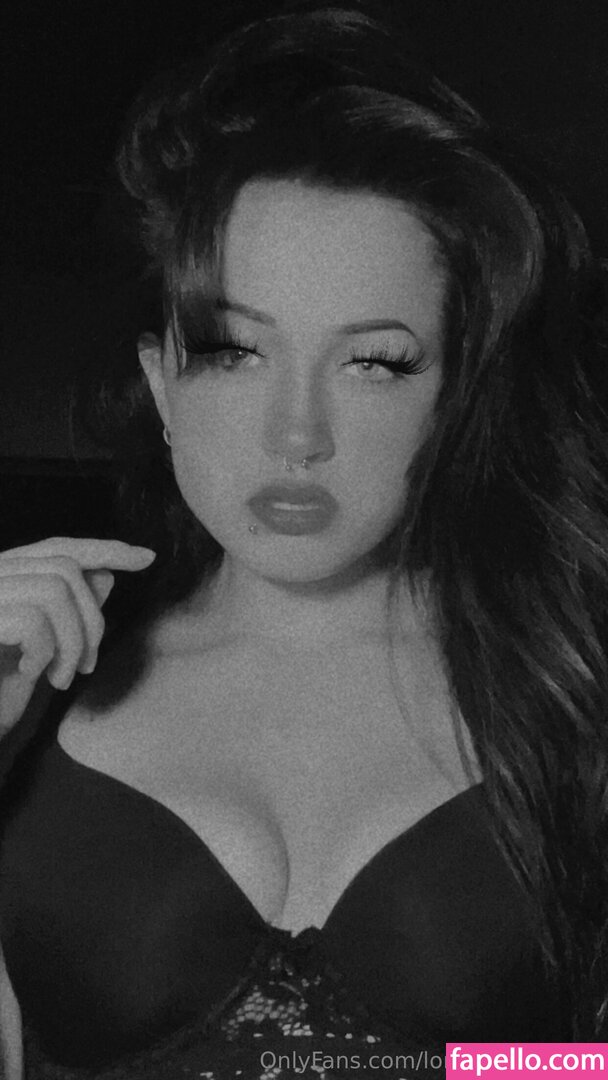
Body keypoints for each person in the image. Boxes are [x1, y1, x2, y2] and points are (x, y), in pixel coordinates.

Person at [1, 2, 608, 1076]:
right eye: (234, 352)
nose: (296, 434)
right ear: (161, 386)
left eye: (373, 362)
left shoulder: (573, 691)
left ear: (455, 399)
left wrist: (461, 1069)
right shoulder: (32, 693)